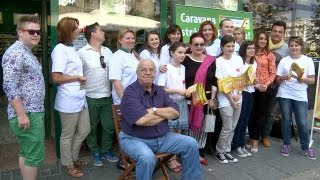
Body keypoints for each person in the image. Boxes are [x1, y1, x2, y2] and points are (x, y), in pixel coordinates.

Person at [119, 60, 202, 180]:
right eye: (144, 70)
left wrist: (153, 110)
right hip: (135, 140)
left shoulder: (160, 90)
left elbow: (175, 112)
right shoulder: (130, 92)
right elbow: (141, 120)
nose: (148, 72)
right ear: (137, 73)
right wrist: (165, 114)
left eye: (151, 70)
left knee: (190, 143)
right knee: (147, 158)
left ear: (155, 73)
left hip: (163, 138)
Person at [2, 13, 45, 180]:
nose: (36, 35)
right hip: (27, 113)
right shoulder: (16, 53)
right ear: (20, 32)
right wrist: (21, 114)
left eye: (38, 32)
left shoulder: (25, 51)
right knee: (33, 155)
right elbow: (10, 86)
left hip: (31, 112)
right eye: (31, 31)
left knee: (26, 151)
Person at [51, 17, 90, 178]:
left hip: (79, 98)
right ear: (68, 31)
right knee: (67, 135)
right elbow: (56, 78)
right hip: (68, 99)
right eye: (75, 29)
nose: (78, 31)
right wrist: (77, 78)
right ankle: (68, 164)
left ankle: (73, 157)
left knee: (84, 130)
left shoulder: (70, 48)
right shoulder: (59, 49)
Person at [77, 22, 119, 167]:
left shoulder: (108, 51)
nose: (104, 33)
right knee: (91, 127)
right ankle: (95, 151)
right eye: (101, 31)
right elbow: (77, 74)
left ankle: (106, 150)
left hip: (107, 96)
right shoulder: (81, 53)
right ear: (93, 34)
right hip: (90, 96)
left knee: (109, 126)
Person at [276, 36, 316, 160]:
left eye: (296, 45)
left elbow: (312, 80)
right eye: (292, 45)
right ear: (289, 47)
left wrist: (302, 79)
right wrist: (283, 77)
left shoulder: (308, 60)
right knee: (286, 121)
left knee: (302, 123)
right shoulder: (284, 61)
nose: (294, 47)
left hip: (300, 95)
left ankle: (305, 147)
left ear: (301, 47)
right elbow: (277, 80)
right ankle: (287, 144)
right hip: (285, 93)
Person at [182, 32, 217, 166]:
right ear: (190, 45)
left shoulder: (210, 60)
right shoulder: (184, 59)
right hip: (189, 101)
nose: (199, 46)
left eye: (201, 44)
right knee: (188, 128)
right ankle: (188, 153)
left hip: (205, 101)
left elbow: (214, 81)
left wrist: (213, 98)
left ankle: (199, 153)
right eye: (195, 44)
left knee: (201, 129)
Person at [158, 42, 188, 173]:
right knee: (169, 133)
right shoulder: (166, 68)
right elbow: (160, 88)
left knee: (178, 132)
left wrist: (186, 91)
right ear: (171, 53)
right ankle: (170, 159)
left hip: (181, 103)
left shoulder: (183, 68)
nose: (182, 55)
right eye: (179, 52)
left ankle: (174, 156)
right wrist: (177, 90)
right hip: (170, 104)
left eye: (184, 52)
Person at [215, 35, 243, 164]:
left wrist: (240, 93)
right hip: (226, 100)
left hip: (238, 97)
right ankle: (220, 151)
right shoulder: (219, 61)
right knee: (226, 127)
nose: (230, 48)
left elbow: (242, 78)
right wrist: (231, 99)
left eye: (232, 46)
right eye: (228, 46)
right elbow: (221, 83)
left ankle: (227, 150)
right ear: (222, 47)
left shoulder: (238, 59)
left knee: (233, 126)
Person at [262, 21, 290, 147]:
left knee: (271, 112)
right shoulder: (263, 43)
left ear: (284, 33)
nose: (277, 34)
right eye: (275, 31)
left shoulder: (287, 49)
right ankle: (253, 135)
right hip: (260, 83)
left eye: (280, 32)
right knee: (257, 110)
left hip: (275, 85)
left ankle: (266, 135)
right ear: (271, 31)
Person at [250, 30, 276, 153]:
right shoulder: (251, 52)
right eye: (261, 38)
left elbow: (273, 73)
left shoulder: (270, 55)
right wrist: (256, 84)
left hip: (264, 89)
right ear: (256, 39)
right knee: (251, 114)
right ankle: (250, 137)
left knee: (260, 115)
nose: (263, 41)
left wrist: (265, 84)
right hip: (251, 87)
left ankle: (255, 140)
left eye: (265, 39)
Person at [232, 41, 256, 158]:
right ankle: (236, 145)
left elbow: (252, 80)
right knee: (240, 121)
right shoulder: (239, 62)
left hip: (251, 93)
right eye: (249, 48)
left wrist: (257, 84)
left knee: (246, 120)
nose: (252, 50)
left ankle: (241, 143)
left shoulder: (253, 63)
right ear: (244, 50)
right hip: (242, 93)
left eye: (253, 48)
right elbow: (238, 81)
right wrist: (249, 82)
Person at [109, 28, 140, 105]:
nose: (131, 40)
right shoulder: (116, 57)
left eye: (133, 38)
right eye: (127, 38)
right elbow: (116, 82)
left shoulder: (134, 56)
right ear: (120, 40)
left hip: (137, 100)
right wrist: (126, 101)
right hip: (125, 102)